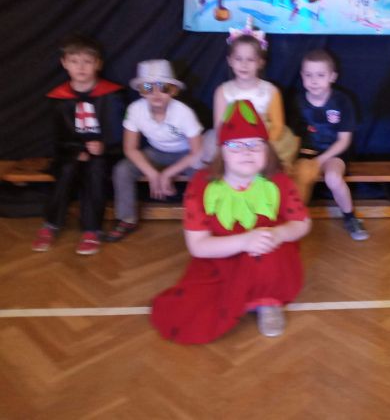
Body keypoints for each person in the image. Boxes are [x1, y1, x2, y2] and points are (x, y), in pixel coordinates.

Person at [151, 100, 311, 343]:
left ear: (267, 150)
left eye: (255, 145)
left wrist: (278, 234)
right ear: (222, 151)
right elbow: (198, 246)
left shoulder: (278, 181)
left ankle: (268, 300)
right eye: (236, 146)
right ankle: (243, 292)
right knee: (192, 312)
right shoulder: (201, 185)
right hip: (222, 256)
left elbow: (302, 222)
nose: (247, 152)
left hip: (268, 255)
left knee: (268, 254)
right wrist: (245, 241)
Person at [32, 35, 123, 255]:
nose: (80, 67)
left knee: (96, 170)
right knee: (66, 170)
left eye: (87, 61)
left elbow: (120, 131)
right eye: (74, 61)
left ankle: (92, 229)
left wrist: (104, 146)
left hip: (105, 154)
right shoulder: (58, 98)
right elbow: (58, 136)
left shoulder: (112, 95)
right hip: (70, 152)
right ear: (64, 63)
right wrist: (76, 151)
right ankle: (51, 224)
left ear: (98, 64)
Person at [107, 60, 203, 242]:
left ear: (173, 90)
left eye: (163, 88)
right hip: (156, 151)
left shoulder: (184, 113)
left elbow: (197, 152)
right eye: (148, 88)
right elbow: (130, 148)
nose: (156, 94)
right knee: (122, 169)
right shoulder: (135, 110)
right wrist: (152, 173)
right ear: (141, 91)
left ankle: (201, 217)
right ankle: (126, 219)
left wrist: (167, 174)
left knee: (201, 172)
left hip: (185, 153)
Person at [289, 49, 367, 240]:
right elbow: (294, 137)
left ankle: (350, 217)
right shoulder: (297, 101)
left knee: (333, 177)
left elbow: (344, 140)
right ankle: (294, 222)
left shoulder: (342, 101)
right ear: (302, 76)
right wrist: (293, 162)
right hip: (306, 152)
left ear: (332, 77)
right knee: (300, 175)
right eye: (308, 75)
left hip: (334, 153)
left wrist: (320, 160)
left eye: (320, 75)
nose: (314, 81)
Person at [209, 20, 298, 170]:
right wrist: (233, 147)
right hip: (233, 141)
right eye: (238, 59)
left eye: (250, 59)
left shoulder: (271, 91)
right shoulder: (223, 91)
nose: (244, 65)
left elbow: (277, 126)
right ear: (230, 61)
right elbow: (219, 127)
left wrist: (260, 147)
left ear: (261, 62)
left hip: (265, 140)